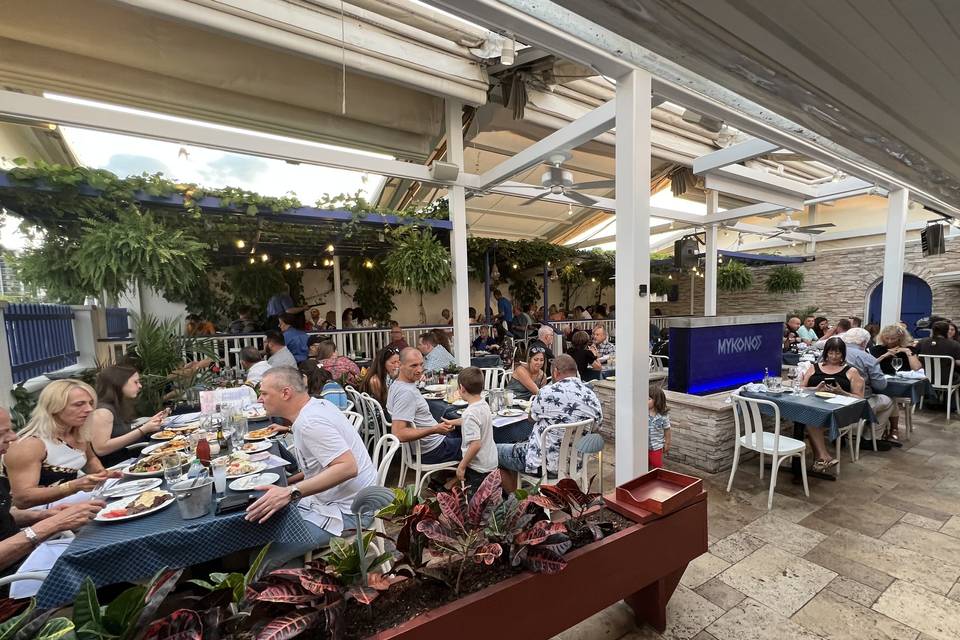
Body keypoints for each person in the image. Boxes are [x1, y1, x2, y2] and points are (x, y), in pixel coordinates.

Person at [247, 367, 376, 569]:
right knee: (266, 526)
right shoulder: (316, 406)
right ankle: (300, 580)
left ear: (286, 393)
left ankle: (291, 591)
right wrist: (289, 482)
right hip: (341, 499)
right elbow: (318, 464)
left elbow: (348, 467)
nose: (259, 400)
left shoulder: (310, 423)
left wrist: (290, 492)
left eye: (264, 393)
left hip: (352, 512)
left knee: (262, 557)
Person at [0, 408, 104, 579]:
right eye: (3, 433)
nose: (13, 437)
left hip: (32, 556)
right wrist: (53, 524)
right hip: (15, 579)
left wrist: (43, 515)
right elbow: (23, 498)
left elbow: (4, 515)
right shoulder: (32, 445)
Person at [4, 380, 120, 509]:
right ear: (54, 407)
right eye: (79, 404)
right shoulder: (31, 444)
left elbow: (90, 459)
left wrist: (102, 474)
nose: (89, 409)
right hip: (39, 513)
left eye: (91, 403)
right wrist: (72, 487)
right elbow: (22, 498)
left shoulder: (77, 431)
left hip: (72, 500)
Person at [496, 355, 602, 492]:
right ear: (575, 371)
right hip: (575, 462)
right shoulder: (591, 395)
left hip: (543, 464)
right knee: (520, 443)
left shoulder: (547, 392)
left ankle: (516, 501)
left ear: (556, 372)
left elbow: (531, 418)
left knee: (492, 451)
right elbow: (597, 426)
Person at [799, 337, 865, 471]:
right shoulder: (814, 368)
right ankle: (823, 459)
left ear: (843, 354)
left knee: (810, 418)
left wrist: (841, 392)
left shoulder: (851, 371)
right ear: (826, 353)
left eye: (838, 353)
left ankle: (822, 458)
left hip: (839, 411)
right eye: (830, 353)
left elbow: (859, 398)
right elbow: (801, 387)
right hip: (814, 406)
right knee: (811, 416)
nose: (834, 357)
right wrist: (815, 388)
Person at [387, 348, 460, 464]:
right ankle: (460, 480)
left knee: (464, 432)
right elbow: (398, 433)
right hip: (433, 450)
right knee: (479, 443)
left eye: (421, 364)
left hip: (427, 446)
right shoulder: (406, 393)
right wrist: (434, 429)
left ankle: (446, 478)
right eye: (413, 366)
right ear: (400, 365)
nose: (420, 369)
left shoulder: (397, 384)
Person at [87, 365, 168, 468]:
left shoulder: (116, 406)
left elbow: (119, 433)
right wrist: (143, 430)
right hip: (117, 467)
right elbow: (101, 449)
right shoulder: (103, 412)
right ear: (119, 383)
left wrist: (148, 423)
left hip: (128, 460)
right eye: (135, 382)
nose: (140, 386)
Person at [841, 328, 895, 448]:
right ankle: (871, 438)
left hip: (833, 397)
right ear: (864, 343)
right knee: (888, 401)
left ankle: (850, 432)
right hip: (857, 400)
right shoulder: (866, 357)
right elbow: (880, 385)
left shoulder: (832, 352)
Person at [453, 368, 497, 492]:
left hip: (477, 467)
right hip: (490, 461)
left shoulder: (469, 413)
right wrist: (453, 422)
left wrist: (462, 466)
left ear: (461, 388)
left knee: (476, 504)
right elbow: (476, 422)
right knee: (489, 499)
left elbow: (475, 444)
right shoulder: (483, 404)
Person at [648, 382, 670, 469]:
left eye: (649, 399)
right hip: (643, 446)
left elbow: (667, 430)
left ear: (657, 400)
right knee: (643, 467)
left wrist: (667, 443)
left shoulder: (663, 416)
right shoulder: (642, 412)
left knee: (657, 468)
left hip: (656, 447)